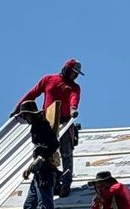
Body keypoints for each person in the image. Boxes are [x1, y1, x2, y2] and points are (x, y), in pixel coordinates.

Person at [16, 58, 83, 196]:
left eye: (77, 74)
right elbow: (32, 93)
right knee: (45, 152)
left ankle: (66, 184)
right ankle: (53, 181)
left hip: (64, 123)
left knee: (66, 153)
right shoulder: (48, 79)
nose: (75, 76)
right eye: (74, 73)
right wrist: (17, 108)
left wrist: (73, 109)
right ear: (67, 70)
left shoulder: (74, 87)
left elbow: (74, 98)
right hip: (48, 121)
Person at [14, 101, 60, 209]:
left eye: (25, 115)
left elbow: (54, 144)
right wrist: (31, 167)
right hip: (38, 174)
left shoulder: (42, 125)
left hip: (46, 173)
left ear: (31, 114)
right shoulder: (35, 126)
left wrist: (41, 159)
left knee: (47, 208)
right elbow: (39, 150)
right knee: (28, 207)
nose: (25, 118)